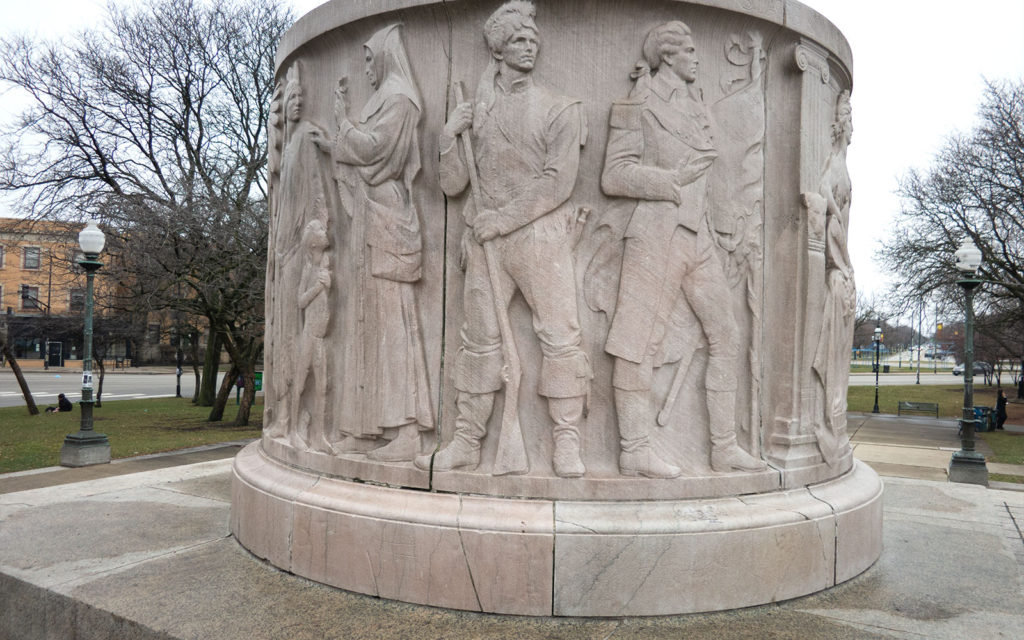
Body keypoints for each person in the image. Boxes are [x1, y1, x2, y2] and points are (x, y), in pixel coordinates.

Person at [418, 1, 590, 477]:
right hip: (485, 242)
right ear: (498, 49)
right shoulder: (476, 110)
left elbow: (559, 182)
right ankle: (468, 441)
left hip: (539, 239)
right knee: (480, 343)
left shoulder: (560, 108)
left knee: (560, 337)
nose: (529, 47)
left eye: (533, 40)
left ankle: (567, 441)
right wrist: (449, 137)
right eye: (519, 40)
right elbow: (454, 185)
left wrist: (503, 219)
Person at [600, 21, 765, 477]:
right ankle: (634, 449)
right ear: (668, 55)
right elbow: (614, 175)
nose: (697, 57)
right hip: (655, 234)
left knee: (726, 336)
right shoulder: (638, 102)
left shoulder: (699, 106)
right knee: (636, 345)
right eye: (690, 50)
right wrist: (670, 182)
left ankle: (723, 447)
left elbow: (715, 174)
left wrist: (726, 226)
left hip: (701, 239)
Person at [318, 23, 435, 462]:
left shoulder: (401, 99)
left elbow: (375, 153)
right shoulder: (384, 98)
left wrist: (342, 124)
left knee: (391, 328)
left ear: (386, 55)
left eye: (370, 58)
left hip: (389, 221)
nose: (366, 66)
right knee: (364, 328)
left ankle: (406, 430)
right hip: (370, 222)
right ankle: (364, 429)